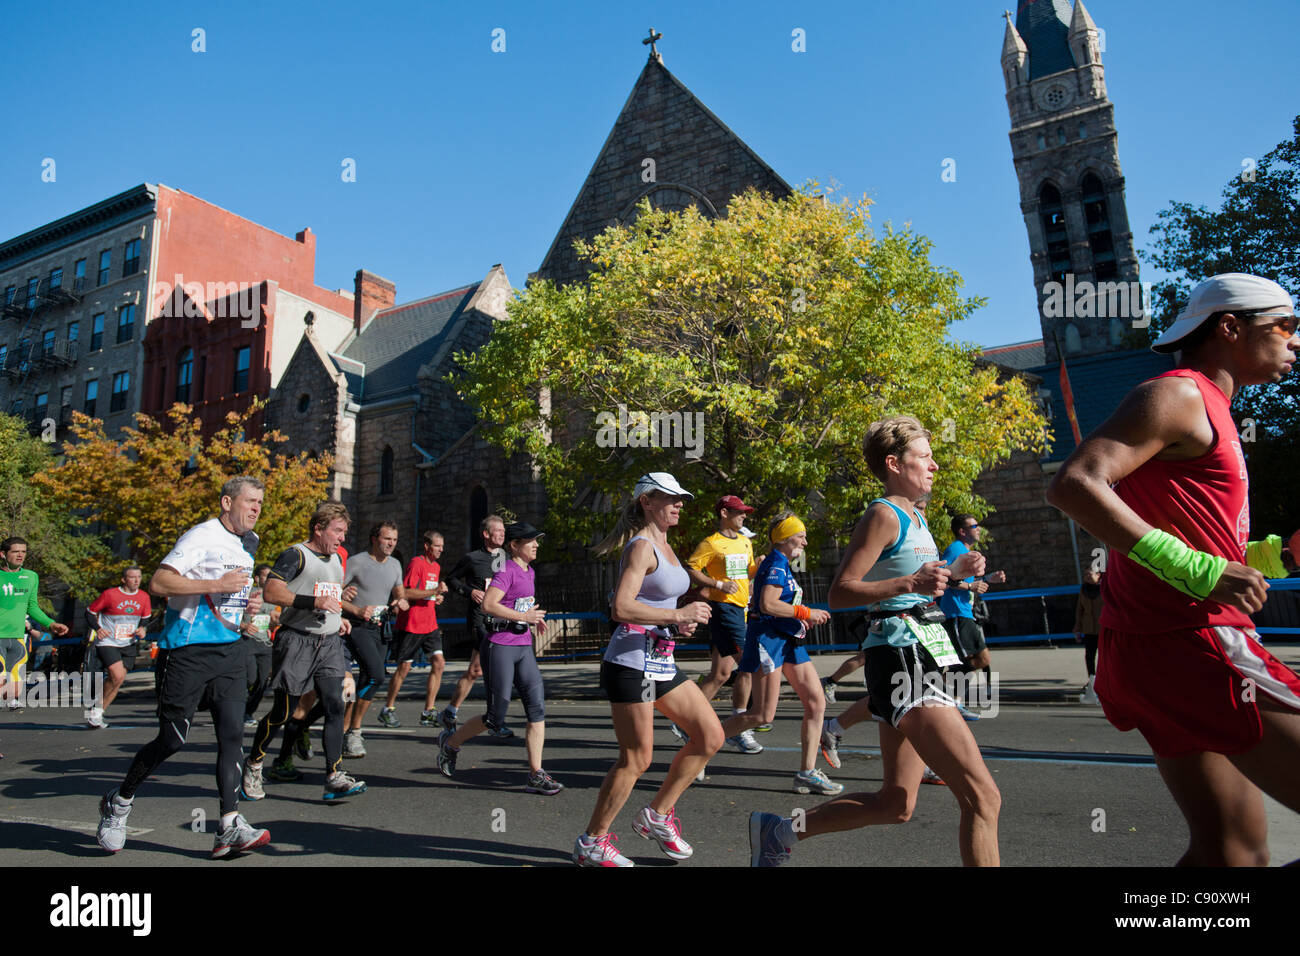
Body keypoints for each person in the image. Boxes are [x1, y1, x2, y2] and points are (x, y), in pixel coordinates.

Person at [1046, 273, 1300, 866]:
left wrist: (1275, 557)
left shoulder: (1211, 407)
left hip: (1159, 647)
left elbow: (1196, 532)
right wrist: (1200, 571)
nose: (1295, 340)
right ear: (1230, 327)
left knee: (1232, 853)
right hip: (1192, 642)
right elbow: (1075, 483)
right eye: (1284, 325)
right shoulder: (1179, 394)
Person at [750, 416, 1000, 866]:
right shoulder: (883, 514)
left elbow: (918, 582)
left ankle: (780, 831)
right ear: (894, 463)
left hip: (920, 651)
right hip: (905, 659)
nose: (934, 465)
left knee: (896, 805)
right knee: (983, 798)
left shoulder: (917, 516)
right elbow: (842, 590)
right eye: (924, 457)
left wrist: (953, 574)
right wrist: (910, 584)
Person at [95, 477, 269, 858]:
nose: (257, 508)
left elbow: (223, 601)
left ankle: (228, 825)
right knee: (172, 740)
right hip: (187, 652)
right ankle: (119, 801)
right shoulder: (200, 536)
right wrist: (217, 581)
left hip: (230, 652)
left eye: (260, 502)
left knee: (231, 736)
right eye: (250, 501)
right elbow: (159, 582)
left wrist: (244, 612)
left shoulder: (247, 547)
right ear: (227, 502)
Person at [572, 473, 721, 867]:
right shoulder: (641, 547)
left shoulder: (667, 546)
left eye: (680, 499)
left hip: (659, 660)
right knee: (636, 759)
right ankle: (593, 841)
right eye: (671, 498)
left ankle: (657, 815)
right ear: (647, 502)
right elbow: (621, 608)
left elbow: (655, 606)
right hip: (630, 662)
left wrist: (676, 622)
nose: (679, 505)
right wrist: (676, 613)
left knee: (709, 736)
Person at [243, 501, 368, 803]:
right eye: (337, 531)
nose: (342, 538)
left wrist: (340, 619)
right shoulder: (295, 554)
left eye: (344, 532)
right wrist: (314, 603)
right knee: (283, 711)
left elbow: (328, 596)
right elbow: (273, 593)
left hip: (328, 644)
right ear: (319, 528)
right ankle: (254, 765)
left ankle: (333, 776)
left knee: (335, 704)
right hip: (296, 640)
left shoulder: (337, 560)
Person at [436, 522, 562, 796]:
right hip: (500, 646)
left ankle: (535, 774)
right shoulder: (505, 570)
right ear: (515, 546)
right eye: (531, 541)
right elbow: (489, 604)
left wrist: (533, 620)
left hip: (523, 646)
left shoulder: (530, 571)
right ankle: (451, 744)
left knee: (536, 708)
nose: (536, 545)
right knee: (495, 718)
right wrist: (523, 618)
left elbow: (521, 604)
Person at [721, 512, 841, 794]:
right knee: (762, 714)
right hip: (770, 640)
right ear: (785, 538)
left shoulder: (783, 563)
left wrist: (802, 618)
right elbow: (768, 604)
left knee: (816, 702)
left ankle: (807, 773)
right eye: (801, 536)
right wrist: (805, 612)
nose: (806, 542)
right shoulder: (775, 562)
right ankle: (701, 740)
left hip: (788, 639)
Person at [685, 495, 762, 753]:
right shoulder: (711, 543)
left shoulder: (744, 542)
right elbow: (691, 568)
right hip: (724, 609)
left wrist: (758, 568)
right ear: (724, 513)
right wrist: (717, 584)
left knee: (720, 674)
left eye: (745, 512)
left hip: (741, 610)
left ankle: (685, 722)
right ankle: (740, 726)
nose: (744, 516)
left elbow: (746, 574)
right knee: (749, 665)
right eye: (740, 512)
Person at [338, 521, 408, 757]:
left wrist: (400, 603)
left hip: (380, 628)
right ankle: (350, 731)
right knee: (377, 674)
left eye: (394, 540)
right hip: (356, 626)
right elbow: (334, 592)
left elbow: (399, 594)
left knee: (370, 679)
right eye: (387, 539)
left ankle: (349, 731)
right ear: (374, 538)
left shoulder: (396, 564)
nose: (391, 544)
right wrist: (354, 608)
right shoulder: (357, 561)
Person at [440, 515, 513, 737]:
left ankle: (450, 711)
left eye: (503, 531)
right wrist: (469, 591)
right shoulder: (472, 558)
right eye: (497, 531)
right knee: (494, 669)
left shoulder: (504, 558)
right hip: (480, 621)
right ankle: (494, 722)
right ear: (486, 534)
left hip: (499, 620)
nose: (502, 534)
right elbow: (451, 579)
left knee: (475, 670)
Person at [379, 530, 448, 728]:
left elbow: (426, 593)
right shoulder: (416, 563)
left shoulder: (436, 566)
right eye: (437, 546)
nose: (441, 550)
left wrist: (436, 597)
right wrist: (433, 591)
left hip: (430, 624)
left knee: (439, 663)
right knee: (404, 668)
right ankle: (388, 709)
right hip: (412, 624)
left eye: (442, 546)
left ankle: (428, 711)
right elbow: (406, 592)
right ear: (427, 546)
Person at [1, 539, 70, 720]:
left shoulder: (31, 577)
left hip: (17, 639)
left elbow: (32, 606)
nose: (20, 555)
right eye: (15, 551)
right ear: (3, 554)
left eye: (23, 551)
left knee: (13, 691)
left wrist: (51, 623)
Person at [84, 565, 153, 728]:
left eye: (139, 577)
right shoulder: (110, 594)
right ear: (123, 579)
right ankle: (95, 711)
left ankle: (97, 711)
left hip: (128, 642)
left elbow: (145, 618)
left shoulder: (144, 597)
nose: (137, 580)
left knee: (119, 679)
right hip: (108, 641)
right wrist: (98, 629)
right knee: (116, 674)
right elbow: (89, 612)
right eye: (132, 577)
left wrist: (142, 628)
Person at [241, 564, 277, 726]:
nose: (268, 579)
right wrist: (244, 626)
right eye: (265, 576)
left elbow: (274, 618)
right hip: (247, 639)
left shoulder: (272, 596)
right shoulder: (248, 594)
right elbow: (232, 616)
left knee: (262, 681)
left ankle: (248, 712)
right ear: (257, 578)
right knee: (250, 678)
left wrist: (274, 625)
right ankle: (237, 708)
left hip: (265, 643)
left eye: (271, 576)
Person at [1074, 569, 1103, 704]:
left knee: (1105, 656)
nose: (1087, 577)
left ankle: (1105, 680)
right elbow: (1080, 609)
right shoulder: (1084, 590)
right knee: (1089, 656)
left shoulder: (1104, 589)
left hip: (1103, 629)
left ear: (1098, 575)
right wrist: (1077, 627)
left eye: (1089, 574)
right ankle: (1092, 679)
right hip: (1089, 629)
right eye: (1085, 575)